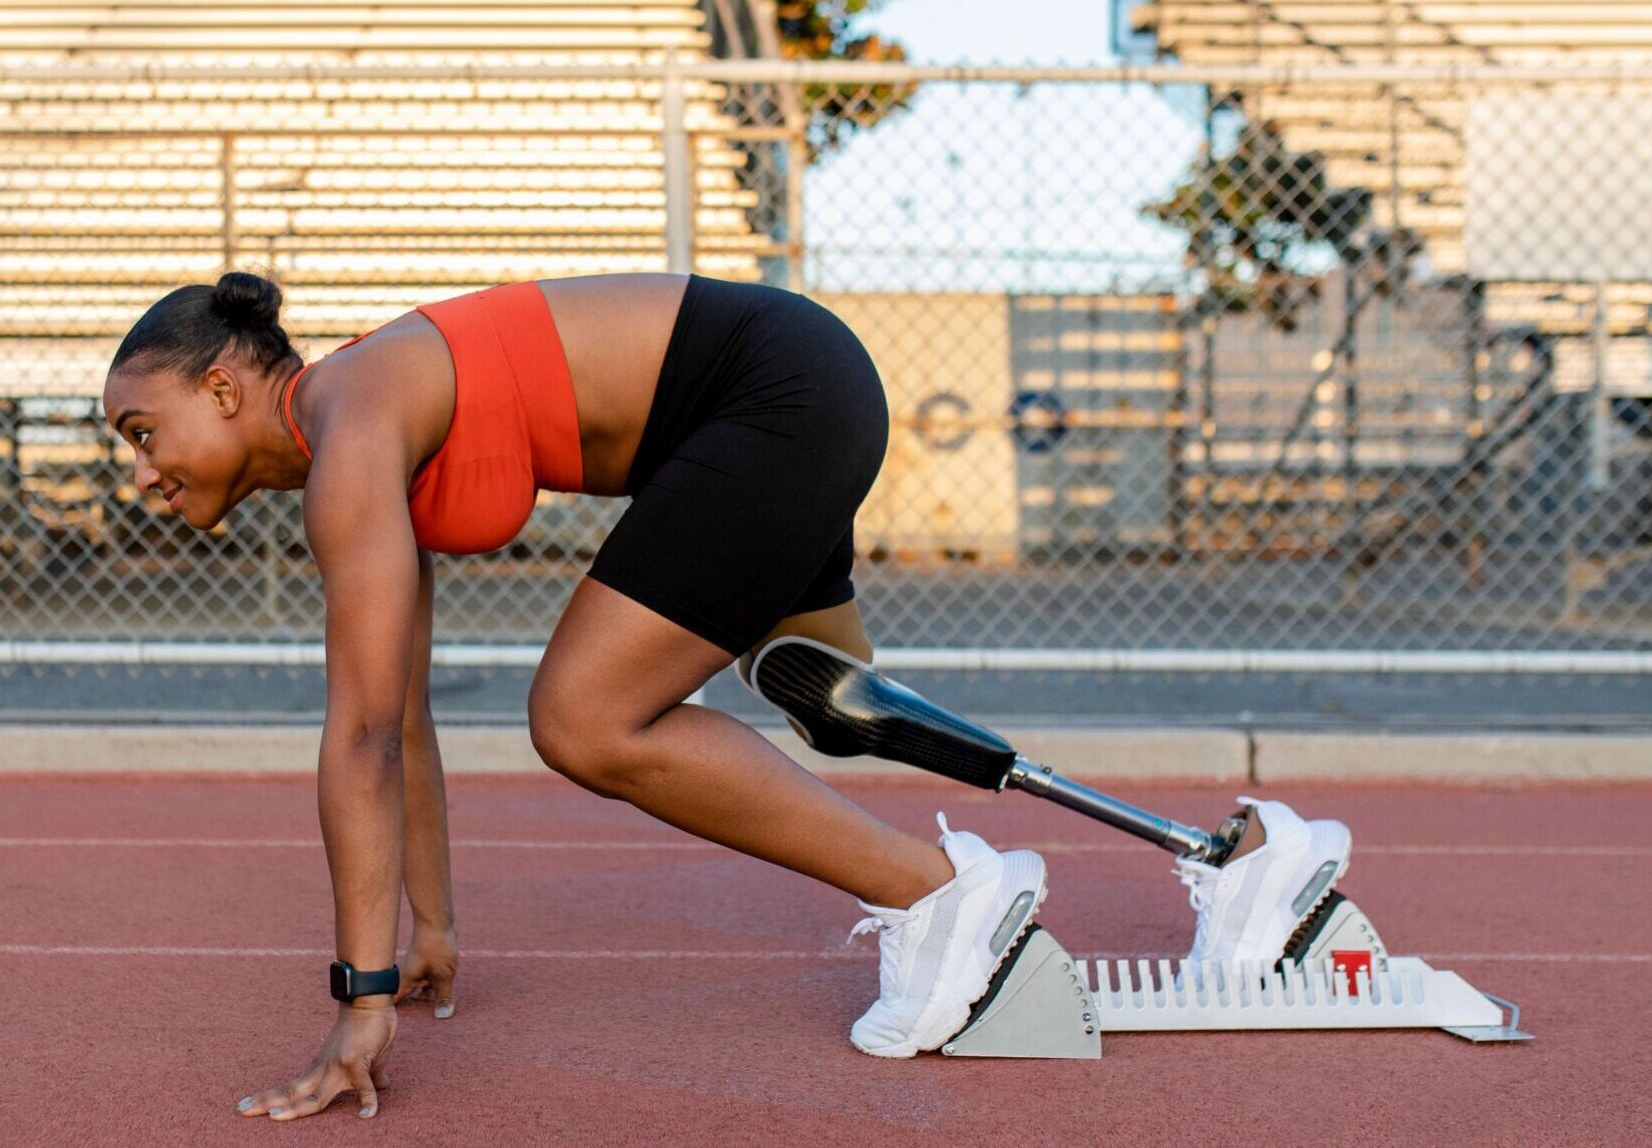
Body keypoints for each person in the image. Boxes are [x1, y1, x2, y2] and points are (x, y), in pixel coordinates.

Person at [101, 271, 1352, 1122]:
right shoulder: (358, 427)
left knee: (583, 718)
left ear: (223, 387)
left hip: (769, 395)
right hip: (771, 392)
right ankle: (1245, 865)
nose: (142, 475)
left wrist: (358, 999)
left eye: (141, 432)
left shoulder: (352, 412)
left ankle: (947, 898)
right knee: (833, 705)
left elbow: (364, 736)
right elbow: (403, 711)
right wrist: (425, 923)